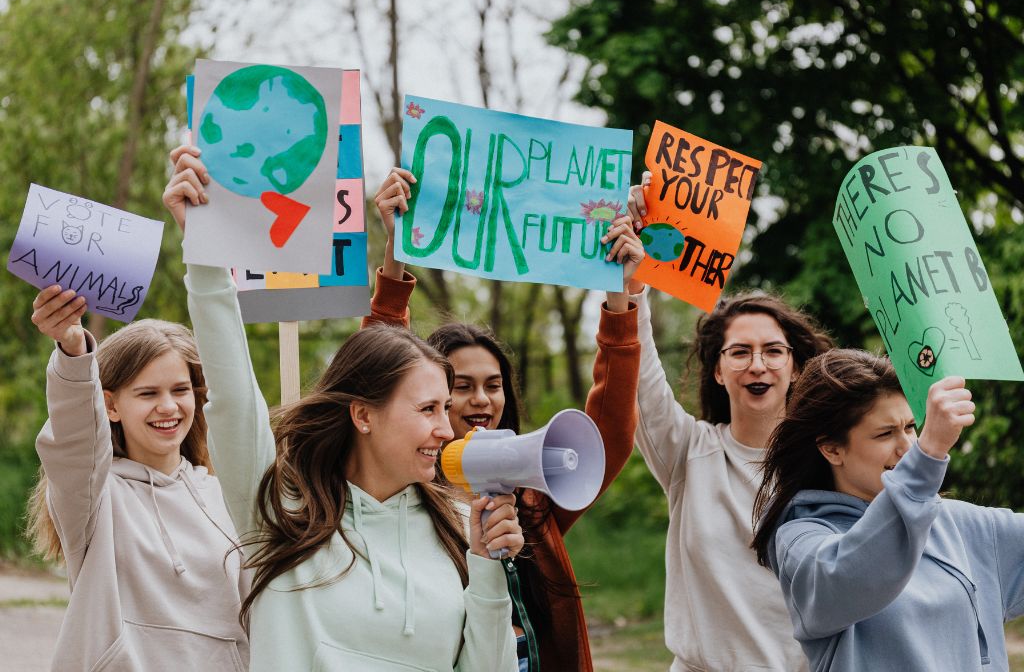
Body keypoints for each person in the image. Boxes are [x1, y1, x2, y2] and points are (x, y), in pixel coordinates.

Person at [164, 144, 522, 672]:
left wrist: (489, 568)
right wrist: (206, 254)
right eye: (427, 409)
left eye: (445, 408)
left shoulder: (457, 527)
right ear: (363, 414)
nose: (447, 428)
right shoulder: (279, 508)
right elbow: (235, 394)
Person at [367, 167, 645, 671]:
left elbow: (609, 433)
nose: (482, 400)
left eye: (493, 385)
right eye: (461, 386)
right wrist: (395, 251)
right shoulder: (399, 493)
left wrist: (619, 295)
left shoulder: (533, 500)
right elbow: (381, 372)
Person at [625, 177, 833, 671]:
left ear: (795, 367)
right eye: (739, 352)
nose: (757, 364)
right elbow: (637, 376)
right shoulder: (687, 452)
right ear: (718, 371)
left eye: (773, 351)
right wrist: (632, 285)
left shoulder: (831, 460)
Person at [752, 349, 1024, 671]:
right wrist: (929, 454)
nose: (907, 447)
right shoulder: (801, 540)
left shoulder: (960, 524)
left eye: (910, 427)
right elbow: (854, 574)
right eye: (885, 433)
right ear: (831, 448)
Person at [26, 285, 250, 672]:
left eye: (180, 390)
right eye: (147, 393)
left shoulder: (225, 495)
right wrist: (73, 351)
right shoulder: (93, 497)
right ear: (110, 405)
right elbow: (75, 440)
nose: (168, 406)